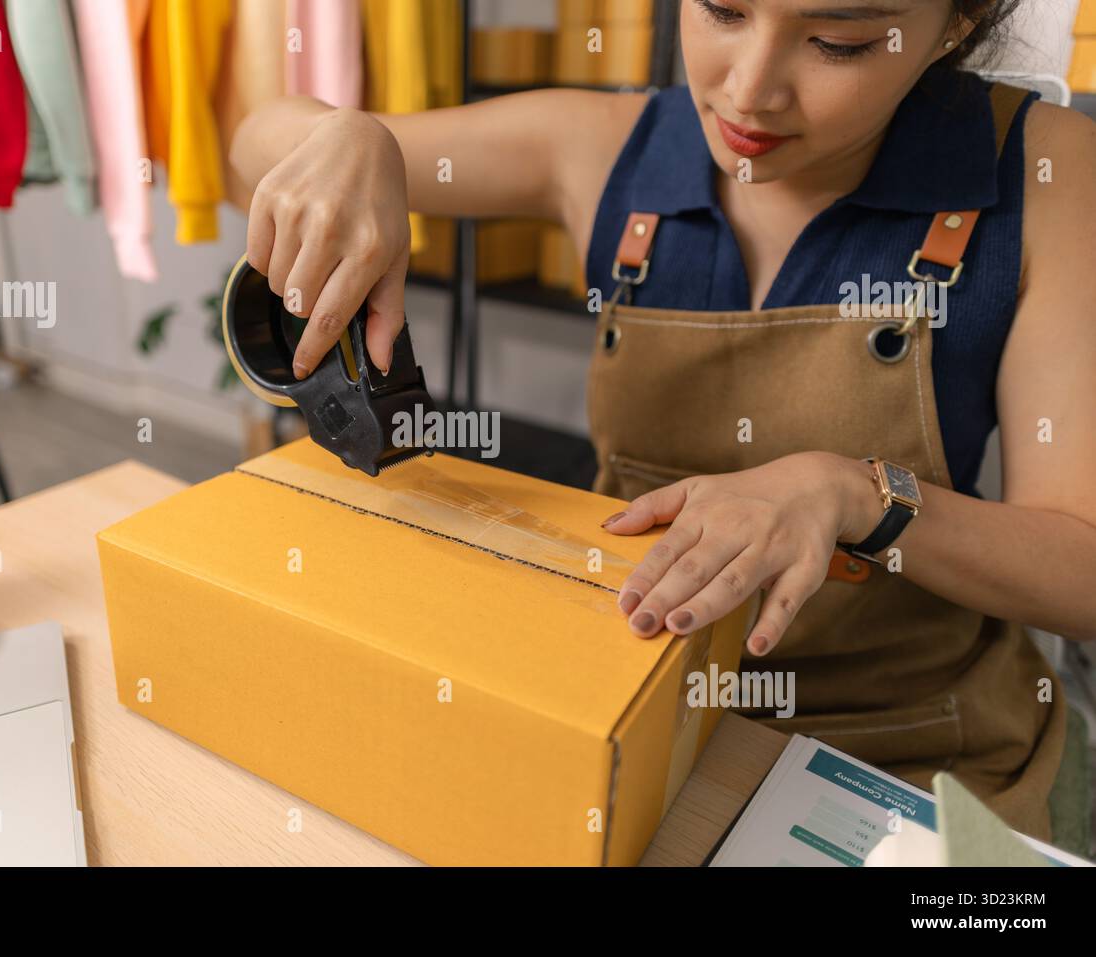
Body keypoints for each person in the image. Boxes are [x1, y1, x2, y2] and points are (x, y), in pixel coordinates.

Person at [229, 0, 1096, 842]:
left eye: (838, 41)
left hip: (908, 750)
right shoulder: (608, 149)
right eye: (721, 10)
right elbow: (255, 142)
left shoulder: (1052, 176)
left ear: (954, 24)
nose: (750, 90)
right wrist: (348, 140)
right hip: (634, 707)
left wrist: (858, 495)